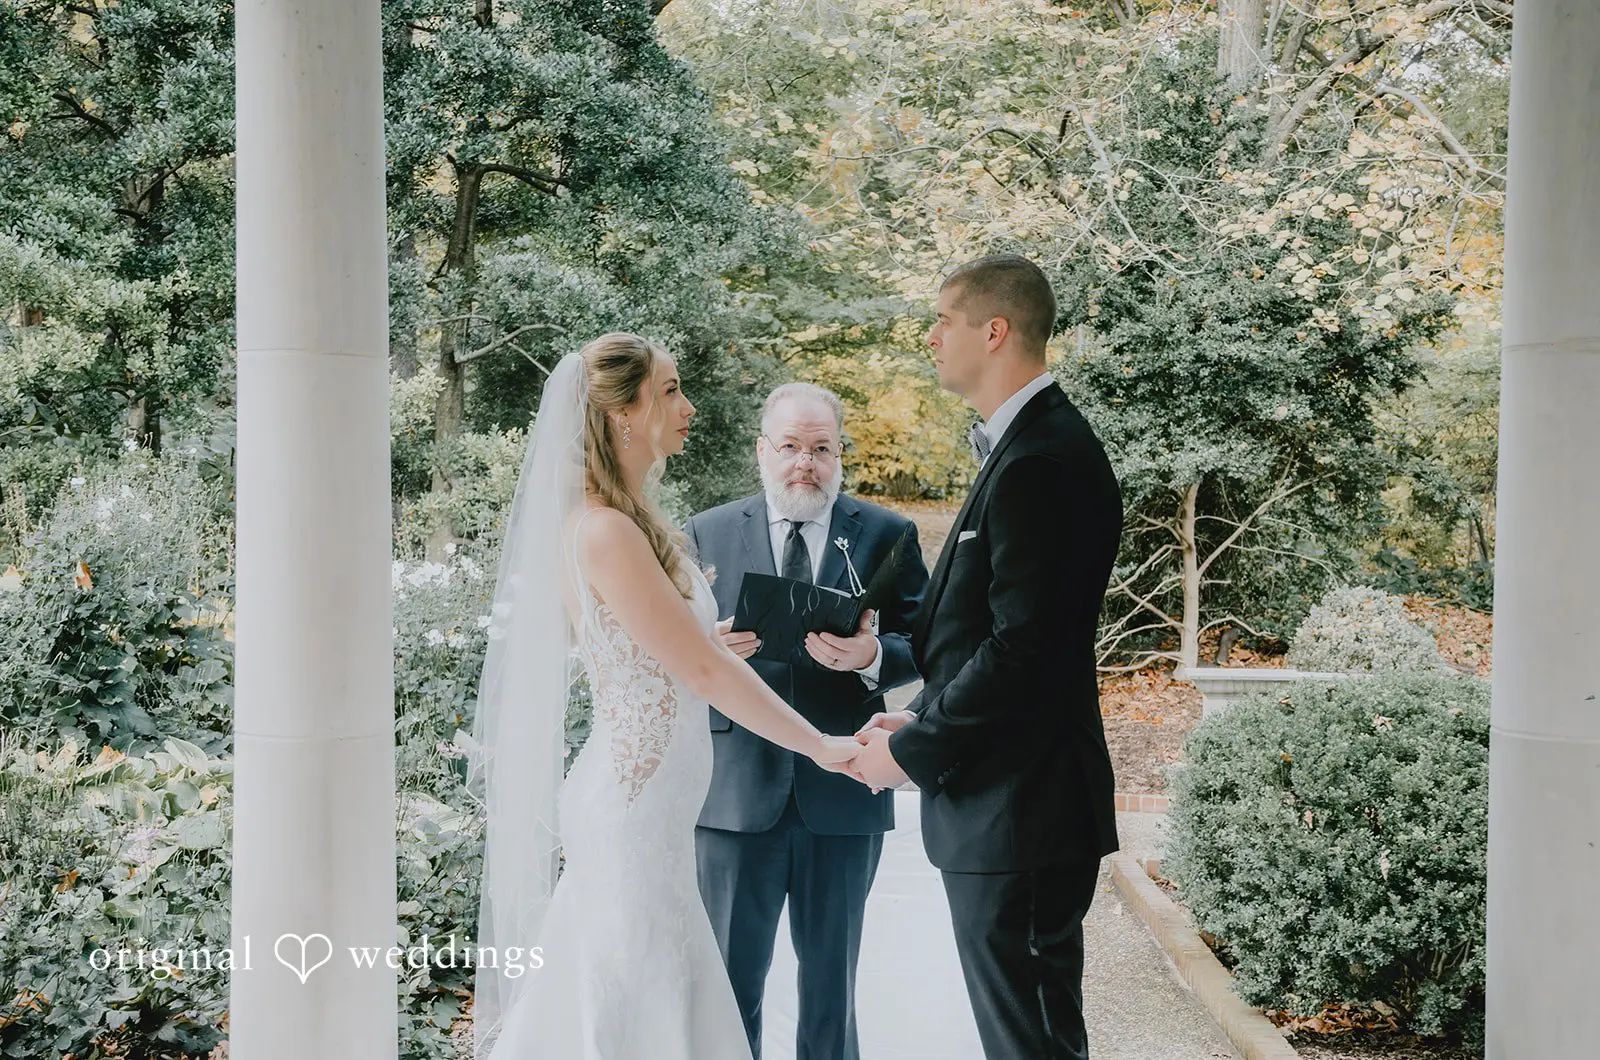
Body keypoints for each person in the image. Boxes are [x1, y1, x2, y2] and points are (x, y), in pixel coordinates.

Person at [468, 334, 861, 1060]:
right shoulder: (606, 531)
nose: (690, 406)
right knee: (632, 996)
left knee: (656, 989)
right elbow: (704, 674)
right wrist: (823, 745)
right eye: (672, 389)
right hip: (633, 809)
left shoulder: (629, 520)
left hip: (655, 810)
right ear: (623, 411)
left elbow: (677, 652)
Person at [850, 255, 1125, 1059]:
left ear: (994, 330)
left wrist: (909, 752)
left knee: (1032, 1047)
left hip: (1024, 813)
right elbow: (988, 639)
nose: (931, 337)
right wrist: (919, 711)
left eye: (944, 320)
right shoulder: (1024, 448)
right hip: (1007, 808)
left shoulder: (1041, 460)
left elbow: (1025, 652)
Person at [686, 383, 928, 1060]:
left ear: (839, 454)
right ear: (763, 450)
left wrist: (874, 654)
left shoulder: (886, 534)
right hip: (735, 793)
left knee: (831, 987)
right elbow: (671, 647)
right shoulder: (706, 531)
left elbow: (936, 642)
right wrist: (711, 647)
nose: (804, 463)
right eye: (790, 447)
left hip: (845, 787)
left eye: (820, 449)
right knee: (730, 989)